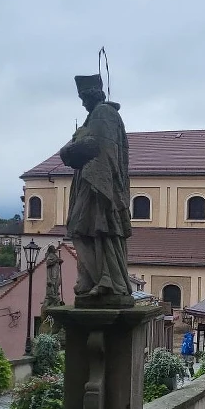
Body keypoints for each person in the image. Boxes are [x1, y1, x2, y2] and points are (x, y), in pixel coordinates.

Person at [59, 74, 132, 305]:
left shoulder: (103, 113)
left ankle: (105, 280)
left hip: (98, 185)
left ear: (93, 94)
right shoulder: (96, 115)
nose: (82, 103)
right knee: (86, 230)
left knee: (95, 229)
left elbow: (99, 148)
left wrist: (72, 147)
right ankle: (93, 279)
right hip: (90, 181)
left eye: (84, 97)